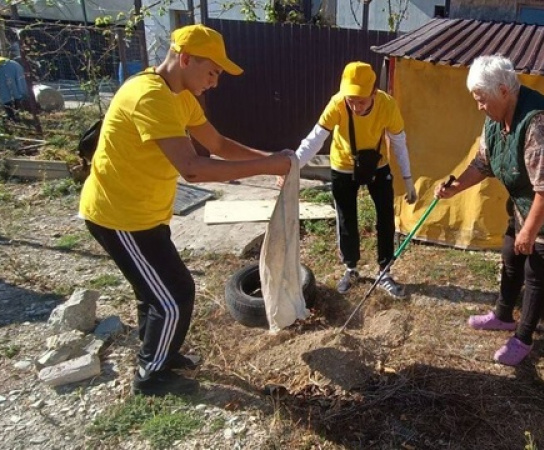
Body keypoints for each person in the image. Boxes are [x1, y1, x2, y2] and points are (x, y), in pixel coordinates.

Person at [79, 24, 295, 396]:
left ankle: (159, 353)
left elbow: (219, 144)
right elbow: (193, 167)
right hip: (119, 217)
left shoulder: (180, 96)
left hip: (146, 214)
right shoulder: (149, 96)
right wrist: (268, 166)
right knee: (175, 295)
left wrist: (275, 160)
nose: (215, 81)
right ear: (185, 58)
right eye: (212, 72)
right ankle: (151, 377)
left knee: (156, 291)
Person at [434, 55, 544, 366]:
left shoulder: (538, 123)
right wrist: (455, 188)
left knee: (536, 271)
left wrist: (530, 231)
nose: (478, 105)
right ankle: (503, 315)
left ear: (503, 91)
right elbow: (483, 162)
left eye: (481, 99)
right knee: (510, 255)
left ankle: (523, 338)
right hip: (524, 200)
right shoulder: (495, 115)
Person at [294, 61, 417, 298]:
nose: (355, 106)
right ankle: (350, 268)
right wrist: (293, 168)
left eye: (361, 100)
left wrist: (408, 179)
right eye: (351, 100)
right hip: (343, 163)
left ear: (373, 93)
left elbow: (399, 141)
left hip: (377, 164)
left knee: (384, 216)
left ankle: (385, 271)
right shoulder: (338, 103)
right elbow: (315, 139)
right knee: (346, 216)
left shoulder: (387, 105)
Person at [0, 56, 26, 122]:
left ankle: (12, 117)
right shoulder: (14, 64)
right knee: (15, 92)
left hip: (3, 68)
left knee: (5, 94)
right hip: (12, 65)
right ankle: (16, 115)